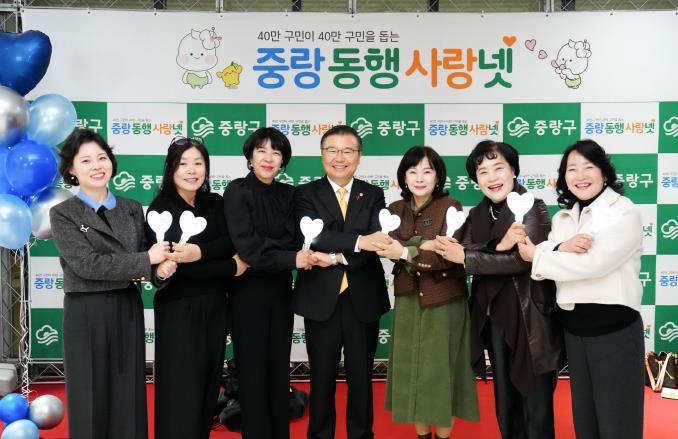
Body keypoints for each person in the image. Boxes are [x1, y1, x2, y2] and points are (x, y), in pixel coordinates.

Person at [434, 140, 563, 439]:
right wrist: (496, 246)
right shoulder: (477, 214)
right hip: (492, 319)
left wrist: (468, 257)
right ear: (476, 179)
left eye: (498, 168)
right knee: (505, 401)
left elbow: (521, 260)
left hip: (530, 319)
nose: (492, 178)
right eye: (483, 172)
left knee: (537, 405)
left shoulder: (533, 207)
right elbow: (458, 251)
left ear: (513, 170)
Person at [518, 140, 644, 439]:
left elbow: (593, 264)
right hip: (574, 331)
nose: (580, 175)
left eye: (589, 167)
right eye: (571, 169)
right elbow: (553, 252)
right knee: (585, 422)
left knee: (617, 424)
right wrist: (559, 249)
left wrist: (540, 256)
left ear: (604, 172)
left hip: (614, 331)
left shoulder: (622, 211)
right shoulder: (565, 217)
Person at [49, 128, 170, 439]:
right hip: (85, 311)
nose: (97, 165)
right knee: (88, 392)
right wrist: (146, 260)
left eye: (102, 157)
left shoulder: (131, 208)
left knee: (130, 390)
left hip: (126, 306)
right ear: (72, 170)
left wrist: (160, 271)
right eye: (86, 160)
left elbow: (146, 260)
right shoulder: (63, 213)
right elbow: (87, 265)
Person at [293, 124, 391, 439]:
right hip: (321, 299)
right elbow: (315, 236)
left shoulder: (373, 194)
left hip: (363, 296)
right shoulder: (305, 194)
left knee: (361, 378)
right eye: (332, 150)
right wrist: (360, 240)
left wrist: (337, 256)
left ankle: (361, 434)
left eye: (348, 151)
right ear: (322, 154)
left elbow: (378, 242)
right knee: (321, 378)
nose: (340, 157)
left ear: (358, 156)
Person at [146, 137, 248, 439]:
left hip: (216, 305)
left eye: (198, 163)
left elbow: (230, 242)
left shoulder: (215, 203)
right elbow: (178, 270)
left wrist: (198, 253)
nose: (192, 170)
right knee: (181, 389)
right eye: (183, 164)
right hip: (179, 308)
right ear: (171, 168)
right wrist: (230, 267)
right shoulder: (161, 209)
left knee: (207, 387)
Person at [374, 146, 479, 439]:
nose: (419, 178)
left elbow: (446, 255)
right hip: (408, 299)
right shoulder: (395, 209)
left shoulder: (451, 206)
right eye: (413, 171)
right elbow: (386, 247)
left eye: (427, 171)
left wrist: (406, 249)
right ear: (403, 177)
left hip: (444, 300)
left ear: (438, 176)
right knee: (413, 373)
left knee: (442, 373)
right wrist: (423, 245)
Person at [222, 127, 313, 439]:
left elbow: (294, 239)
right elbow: (247, 247)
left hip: (280, 292)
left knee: (277, 371)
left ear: (283, 160)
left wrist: (271, 252)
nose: (268, 157)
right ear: (250, 156)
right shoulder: (237, 191)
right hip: (246, 294)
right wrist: (286, 257)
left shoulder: (290, 194)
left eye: (276, 152)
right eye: (261, 150)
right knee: (251, 373)